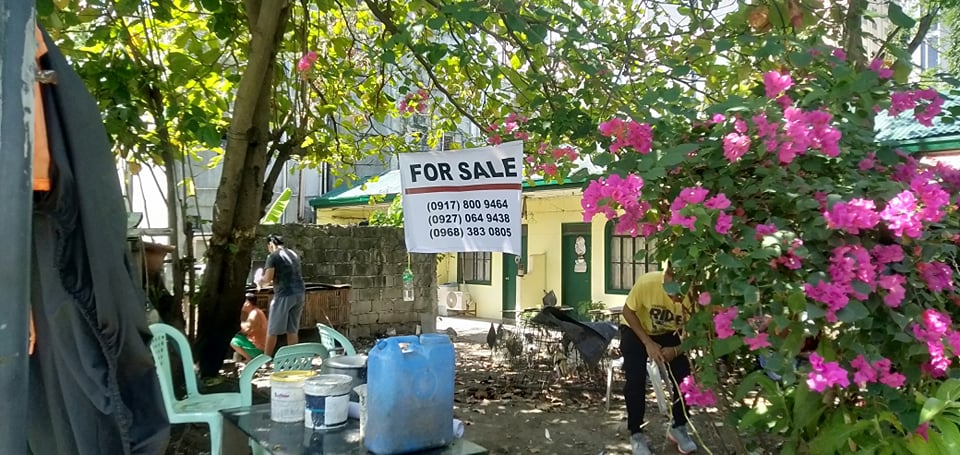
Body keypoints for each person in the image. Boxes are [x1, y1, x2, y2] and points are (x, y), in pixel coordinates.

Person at [621, 264, 698, 455]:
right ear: (664, 279)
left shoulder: (694, 293)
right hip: (636, 330)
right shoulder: (647, 283)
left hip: (670, 333)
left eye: (678, 293)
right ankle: (636, 433)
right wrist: (647, 343)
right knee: (636, 380)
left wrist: (677, 349)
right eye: (670, 291)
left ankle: (678, 427)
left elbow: (696, 330)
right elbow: (627, 312)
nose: (674, 298)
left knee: (684, 379)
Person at [257, 234, 306, 356]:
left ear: (271, 244)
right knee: (292, 329)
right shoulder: (293, 254)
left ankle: (266, 358)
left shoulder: (273, 256)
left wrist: (259, 280)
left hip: (284, 294)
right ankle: (293, 357)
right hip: (299, 293)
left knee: (272, 329)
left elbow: (268, 279)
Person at [230, 293, 268, 362]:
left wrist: (242, 314)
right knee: (238, 337)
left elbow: (245, 330)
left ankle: (249, 359)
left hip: (258, 349)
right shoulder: (256, 311)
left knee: (233, 341)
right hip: (258, 345)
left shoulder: (254, 313)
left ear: (247, 303)